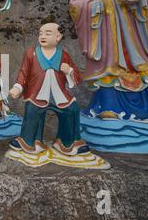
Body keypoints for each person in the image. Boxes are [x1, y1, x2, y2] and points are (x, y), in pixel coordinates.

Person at [8, 23, 90, 156]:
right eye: (40, 33)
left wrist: (69, 71)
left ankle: (67, 143)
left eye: (47, 33)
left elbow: (77, 75)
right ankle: (29, 141)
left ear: (58, 37)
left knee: (72, 109)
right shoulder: (31, 53)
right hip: (37, 93)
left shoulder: (64, 55)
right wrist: (17, 88)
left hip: (59, 94)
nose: (42, 36)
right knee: (32, 111)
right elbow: (23, 73)